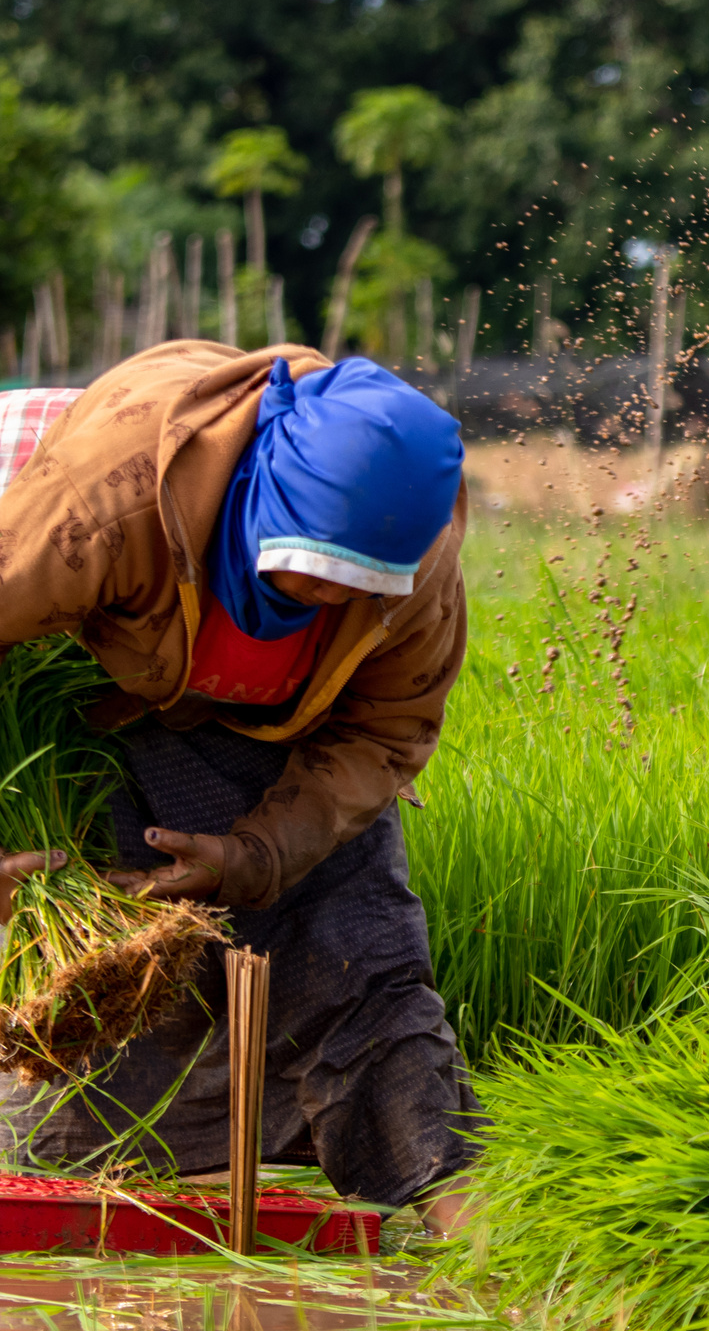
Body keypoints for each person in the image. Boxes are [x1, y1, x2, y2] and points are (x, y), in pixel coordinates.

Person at [0, 341, 478, 1226]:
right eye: (297, 569)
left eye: (347, 588)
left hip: (272, 724)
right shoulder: (100, 504)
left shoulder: (416, 575)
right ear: (260, 497)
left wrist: (252, 853)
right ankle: (105, 1178)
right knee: (98, 981)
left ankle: (467, 1207)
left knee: (357, 948)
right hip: (73, 662)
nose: (314, 598)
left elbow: (385, 732)